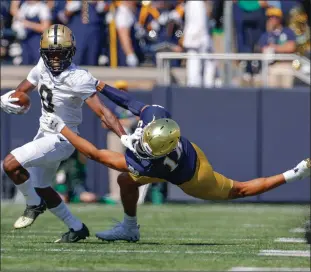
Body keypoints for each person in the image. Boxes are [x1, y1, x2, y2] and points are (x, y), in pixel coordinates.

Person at [42, 86, 311, 242]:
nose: (142, 143)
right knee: (125, 182)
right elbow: (132, 102)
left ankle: (294, 174)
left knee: (238, 190)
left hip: (193, 175)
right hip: (186, 150)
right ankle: (129, 227)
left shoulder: (147, 163)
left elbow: (96, 155)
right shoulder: (158, 118)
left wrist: (62, 128)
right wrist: (100, 86)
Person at [0, 24, 126, 243]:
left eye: (61, 52)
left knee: (10, 164)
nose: (56, 58)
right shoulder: (41, 66)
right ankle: (76, 228)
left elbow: (103, 112)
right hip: (44, 134)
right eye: (52, 53)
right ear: (44, 53)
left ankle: (32, 204)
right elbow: (22, 90)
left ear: (71, 52)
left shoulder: (79, 77)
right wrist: (8, 98)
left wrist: (124, 137)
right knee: (42, 186)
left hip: (63, 137)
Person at [256, 7, 297, 88]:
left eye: (275, 17)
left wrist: (274, 47)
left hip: (286, 64)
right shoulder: (266, 35)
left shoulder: (287, 32)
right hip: (272, 66)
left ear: (280, 19)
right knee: (272, 91)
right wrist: (281, 47)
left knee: (287, 91)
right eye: (270, 17)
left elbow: (291, 47)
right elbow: (263, 49)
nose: (272, 19)